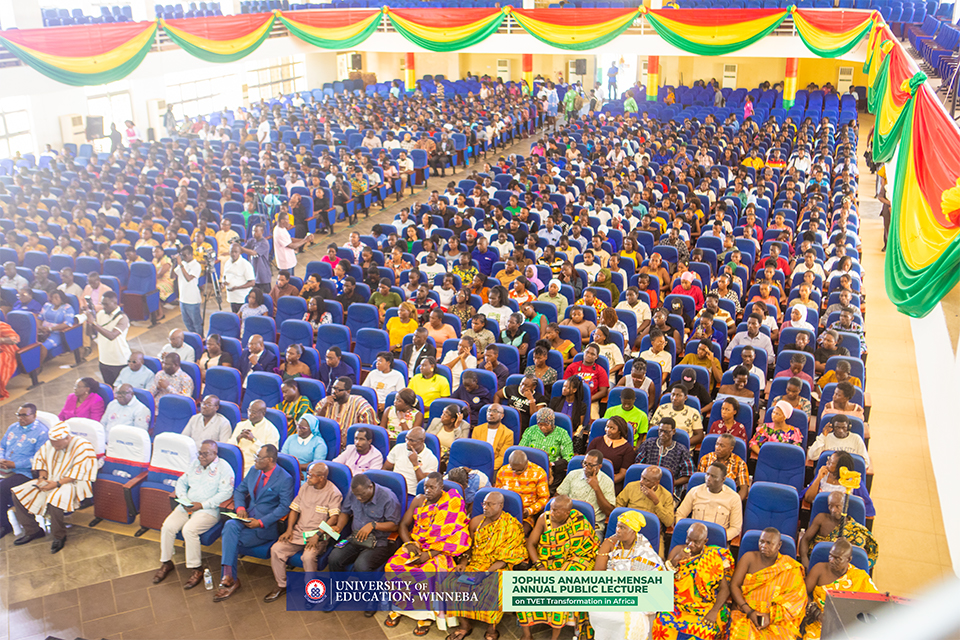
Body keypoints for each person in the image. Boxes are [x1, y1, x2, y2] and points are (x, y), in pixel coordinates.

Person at [382, 473, 472, 634]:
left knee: (424, 572)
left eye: (432, 487)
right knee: (392, 566)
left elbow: (459, 536)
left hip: (441, 551)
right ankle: (400, 607)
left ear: (441, 487)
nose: (428, 490)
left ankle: (425, 616)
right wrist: (409, 543)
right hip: (416, 545)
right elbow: (403, 524)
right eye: (426, 487)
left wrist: (429, 554)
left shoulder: (453, 502)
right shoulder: (418, 500)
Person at [214, 444, 294, 602]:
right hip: (246, 517)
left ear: (269, 460)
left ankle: (230, 579)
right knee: (229, 525)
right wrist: (241, 507)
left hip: (264, 527)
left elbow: (284, 507)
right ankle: (229, 578)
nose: (255, 460)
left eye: (258, 457)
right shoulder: (254, 470)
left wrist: (261, 522)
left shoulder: (285, 479)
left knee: (231, 541)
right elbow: (239, 491)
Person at [153, 440, 234, 589]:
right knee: (167, 527)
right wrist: (183, 498)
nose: (201, 457)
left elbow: (226, 493)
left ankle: (196, 568)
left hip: (208, 510)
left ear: (215, 454)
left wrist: (202, 505)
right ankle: (166, 562)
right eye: (200, 453)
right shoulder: (195, 464)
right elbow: (182, 482)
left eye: (205, 454)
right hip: (187, 505)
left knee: (189, 530)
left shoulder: (224, 468)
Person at [517, 495, 599, 640]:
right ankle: (527, 635)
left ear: (567, 513)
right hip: (544, 563)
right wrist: (539, 566)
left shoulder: (578, 522)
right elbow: (531, 543)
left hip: (568, 564)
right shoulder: (544, 518)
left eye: (556, 510)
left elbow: (586, 551)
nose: (552, 512)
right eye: (551, 509)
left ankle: (554, 637)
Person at [449, 490, 527, 640]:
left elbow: (506, 558)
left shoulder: (511, 526)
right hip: (476, 562)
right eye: (484, 503)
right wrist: (464, 562)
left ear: (500, 505)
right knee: (450, 583)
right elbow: (469, 547)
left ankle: (491, 629)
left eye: (490, 504)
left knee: (492, 590)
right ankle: (464, 625)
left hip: (498, 567)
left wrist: (485, 573)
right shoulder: (476, 522)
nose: (485, 507)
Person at [10, 422, 97, 553]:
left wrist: (57, 484)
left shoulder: (83, 446)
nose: (55, 447)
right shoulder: (51, 443)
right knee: (18, 494)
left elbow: (80, 472)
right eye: (53, 444)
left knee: (55, 502)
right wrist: (42, 478)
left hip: (71, 482)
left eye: (58, 445)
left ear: (67, 438)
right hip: (50, 478)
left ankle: (59, 536)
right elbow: (41, 461)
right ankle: (33, 530)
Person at [264, 461, 345, 602]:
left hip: (318, 535)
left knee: (307, 557)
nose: (307, 478)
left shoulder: (333, 493)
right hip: (299, 531)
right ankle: (281, 585)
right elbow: (294, 509)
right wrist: (289, 530)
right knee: (276, 549)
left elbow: (334, 518)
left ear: (321, 477)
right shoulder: (306, 487)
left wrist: (317, 535)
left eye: (310, 475)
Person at [590, 511, 666, 640]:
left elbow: (658, 580)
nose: (618, 531)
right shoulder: (614, 546)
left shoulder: (644, 552)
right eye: (617, 527)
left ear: (633, 531)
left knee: (622, 619)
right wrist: (605, 545)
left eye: (622, 528)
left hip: (638, 596)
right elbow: (600, 574)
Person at [652, 522, 735, 639]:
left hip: (705, 606)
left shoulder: (715, 557)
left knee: (705, 631)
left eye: (696, 542)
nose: (691, 545)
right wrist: (676, 560)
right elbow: (664, 580)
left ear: (705, 541)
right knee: (662, 623)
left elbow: (725, 589)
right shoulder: (677, 550)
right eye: (689, 539)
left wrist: (714, 611)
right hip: (677, 604)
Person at [729, 527, 807, 639]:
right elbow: (734, 585)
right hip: (746, 611)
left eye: (769, 543)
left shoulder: (789, 567)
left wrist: (770, 616)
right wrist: (749, 611)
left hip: (777, 619)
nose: (764, 546)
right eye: (762, 541)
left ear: (779, 545)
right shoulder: (749, 558)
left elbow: (796, 598)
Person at [327, 472, 402, 582]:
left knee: (361, 566)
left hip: (379, 542)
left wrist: (373, 525)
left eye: (361, 494)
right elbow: (345, 512)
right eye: (356, 494)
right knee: (333, 558)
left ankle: (370, 595)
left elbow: (394, 526)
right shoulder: (354, 492)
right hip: (356, 537)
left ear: (370, 487)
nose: (358, 498)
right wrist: (339, 526)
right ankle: (339, 590)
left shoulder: (388, 498)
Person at [802, 538, 878, 640]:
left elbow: (874, 604)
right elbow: (801, 593)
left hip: (849, 626)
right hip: (820, 622)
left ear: (848, 559)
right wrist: (816, 613)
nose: (832, 561)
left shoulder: (859, 577)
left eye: (838, 559)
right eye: (831, 556)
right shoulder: (819, 569)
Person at [0, 404, 47, 538]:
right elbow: (2, 446)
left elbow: (39, 458)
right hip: (5, 466)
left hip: (25, 472)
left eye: (24, 415)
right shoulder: (13, 427)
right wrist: (1, 459)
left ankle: (3, 525)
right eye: (19, 415)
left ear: (34, 415)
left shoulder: (41, 433)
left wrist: (14, 464)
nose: (21, 418)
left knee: (1, 488)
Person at [799, 491, 878, 571]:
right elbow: (805, 539)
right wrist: (804, 559)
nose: (833, 510)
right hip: (818, 563)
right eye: (830, 506)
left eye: (837, 506)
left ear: (844, 506)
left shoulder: (852, 528)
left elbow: (855, 555)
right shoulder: (821, 519)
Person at [676, 461, 743, 541]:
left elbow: (735, 528)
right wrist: (688, 533)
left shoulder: (734, 498)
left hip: (717, 544)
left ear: (723, 479)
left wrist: (720, 538)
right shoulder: (695, 492)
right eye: (707, 474)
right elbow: (680, 514)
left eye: (713, 476)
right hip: (693, 541)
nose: (708, 479)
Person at [556, 449, 616, 530]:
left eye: (590, 465)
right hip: (568, 521)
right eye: (584, 463)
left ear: (599, 466)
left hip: (593, 525)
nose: (586, 467)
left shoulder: (607, 482)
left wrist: (596, 488)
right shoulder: (573, 475)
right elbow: (558, 497)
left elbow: (609, 511)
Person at [495, 449, 549, 535]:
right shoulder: (502, 471)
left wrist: (529, 511)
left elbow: (544, 498)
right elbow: (497, 495)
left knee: (517, 533)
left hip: (526, 514)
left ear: (526, 463)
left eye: (520, 470)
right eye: (514, 470)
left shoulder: (539, 473)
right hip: (505, 512)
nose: (517, 473)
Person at [519, 407, 574, 491]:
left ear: (552, 423)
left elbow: (569, 457)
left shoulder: (562, 434)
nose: (543, 427)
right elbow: (520, 450)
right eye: (540, 424)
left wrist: (552, 465)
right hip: (529, 468)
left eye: (546, 424)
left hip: (552, 470)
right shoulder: (530, 431)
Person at [85, 290, 131, 386]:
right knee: (109, 387)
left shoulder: (122, 318)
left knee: (121, 388)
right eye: (102, 304)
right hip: (104, 359)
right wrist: (89, 322)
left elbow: (112, 336)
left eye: (106, 304)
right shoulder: (101, 314)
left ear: (114, 303)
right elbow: (89, 333)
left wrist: (94, 323)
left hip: (119, 360)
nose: (103, 307)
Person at [316, 376, 377, 446]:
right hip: (325, 442)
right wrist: (324, 408)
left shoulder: (360, 404)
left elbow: (368, 432)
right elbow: (314, 425)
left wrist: (350, 440)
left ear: (348, 391)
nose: (334, 392)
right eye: (333, 388)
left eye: (338, 390)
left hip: (351, 445)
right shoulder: (325, 402)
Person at [635, 418, 694, 490]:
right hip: (646, 485)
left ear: (673, 431)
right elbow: (637, 465)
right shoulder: (648, 444)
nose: (662, 434)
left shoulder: (681, 450)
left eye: (666, 432)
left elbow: (688, 474)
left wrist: (671, 483)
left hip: (670, 488)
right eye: (660, 431)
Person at [226, 399, 280, 476]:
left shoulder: (271, 430)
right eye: (249, 411)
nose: (250, 414)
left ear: (263, 413)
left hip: (254, 467)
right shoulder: (241, 425)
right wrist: (238, 438)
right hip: (235, 462)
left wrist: (254, 440)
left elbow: (270, 456)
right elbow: (230, 447)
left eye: (254, 412)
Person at [616, 465, 676, 531]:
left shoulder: (666, 495)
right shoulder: (631, 486)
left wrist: (656, 501)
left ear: (656, 483)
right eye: (641, 477)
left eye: (646, 480)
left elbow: (669, 522)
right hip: (628, 526)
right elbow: (617, 507)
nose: (641, 481)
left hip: (650, 530)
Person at [563, 343, 610, 420]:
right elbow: (565, 385)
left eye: (592, 354)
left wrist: (588, 400)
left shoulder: (600, 370)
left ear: (596, 357)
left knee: (593, 421)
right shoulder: (572, 367)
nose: (589, 355)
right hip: (571, 399)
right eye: (587, 352)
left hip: (591, 401)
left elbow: (603, 391)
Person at [698, 433, 751, 501]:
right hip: (706, 497)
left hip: (728, 499)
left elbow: (743, 489)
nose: (717, 448)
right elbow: (699, 483)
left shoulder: (740, 463)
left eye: (722, 446)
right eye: (717, 444)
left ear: (731, 449)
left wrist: (735, 503)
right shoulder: (705, 459)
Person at [174, 244, 203, 335]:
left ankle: (200, 340)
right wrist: (173, 264)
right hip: (183, 298)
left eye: (185, 255)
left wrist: (180, 265)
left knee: (197, 323)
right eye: (182, 255)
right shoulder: (183, 264)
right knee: (187, 322)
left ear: (191, 254)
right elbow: (172, 275)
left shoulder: (196, 265)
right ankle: (193, 338)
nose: (184, 257)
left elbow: (188, 278)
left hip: (192, 299)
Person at [222, 242, 256, 313]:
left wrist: (237, 287)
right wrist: (223, 283)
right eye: (232, 252)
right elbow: (225, 276)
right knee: (235, 318)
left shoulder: (246, 264)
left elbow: (252, 283)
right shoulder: (227, 263)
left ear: (240, 252)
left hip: (242, 298)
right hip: (232, 297)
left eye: (236, 252)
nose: (234, 254)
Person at [241, 224, 272, 293]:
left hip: (263, 274)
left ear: (262, 232)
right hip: (254, 273)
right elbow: (243, 249)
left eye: (256, 231)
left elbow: (254, 252)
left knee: (267, 294)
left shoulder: (264, 243)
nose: (253, 233)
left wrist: (240, 248)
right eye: (253, 231)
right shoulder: (252, 241)